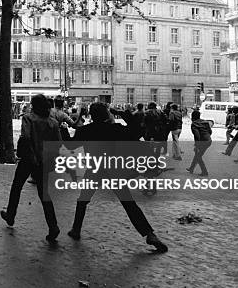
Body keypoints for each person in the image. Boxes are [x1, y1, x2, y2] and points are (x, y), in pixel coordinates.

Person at [68, 102, 168, 252]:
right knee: (129, 203)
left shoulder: (85, 131)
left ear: (92, 115)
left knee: (83, 200)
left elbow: (70, 147)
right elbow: (137, 131)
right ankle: (149, 234)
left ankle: (76, 230)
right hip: (114, 169)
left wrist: (80, 119)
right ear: (106, 114)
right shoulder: (115, 129)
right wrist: (121, 113)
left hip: (94, 169)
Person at [0, 94, 62, 242]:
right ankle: (53, 226)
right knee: (44, 194)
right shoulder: (53, 122)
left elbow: (26, 138)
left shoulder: (28, 118)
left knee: (17, 187)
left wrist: (29, 154)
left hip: (29, 159)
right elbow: (58, 144)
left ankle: (11, 215)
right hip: (44, 161)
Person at [187, 110, 212, 176]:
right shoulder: (205, 122)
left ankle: (204, 172)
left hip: (202, 141)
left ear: (192, 117)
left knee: (198, 156)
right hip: (208, 140)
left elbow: (197, 135)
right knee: (197, 155)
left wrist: (197, 145)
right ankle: (191, 168)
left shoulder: (194, 124)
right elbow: (210, 132)